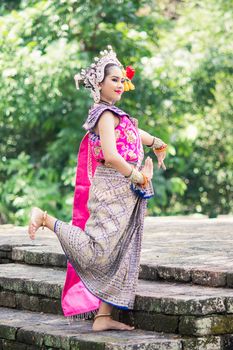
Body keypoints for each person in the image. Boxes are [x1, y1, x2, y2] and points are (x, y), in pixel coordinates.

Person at [28, 45, 167, 332]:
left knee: (123, 249)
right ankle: (45, 219)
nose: (119, 84)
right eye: (113, 79)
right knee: (98, 251)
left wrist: (156, 142)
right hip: (114, 187)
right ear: (99, 84)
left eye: (121, 79)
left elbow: (131, 132)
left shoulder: (117, 114)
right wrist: (137, 176)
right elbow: (112, 154)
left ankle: (103, 316)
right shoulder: (103, 114)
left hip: (128, 191)